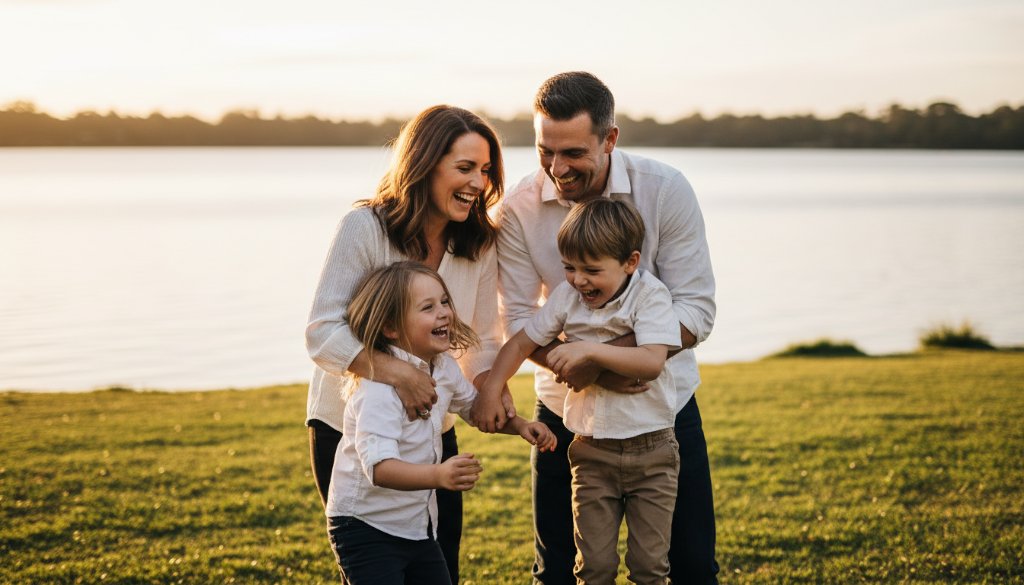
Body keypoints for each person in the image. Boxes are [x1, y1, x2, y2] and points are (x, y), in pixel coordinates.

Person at [493, 72, 719, 584]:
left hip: (664, 412)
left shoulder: (665, 191)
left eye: (572, 152)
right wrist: (587, 370)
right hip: (565, 413)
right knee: (561, 570)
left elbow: (697, 310)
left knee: (688, 567)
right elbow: (523, 321)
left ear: (610, 139)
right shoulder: (519, 209)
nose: (556, 167)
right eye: (544, 150)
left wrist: (607, 356)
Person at [305, 105, 516, 584]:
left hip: (433, 430)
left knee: (441, 564)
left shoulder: (480, 244)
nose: (479, 183)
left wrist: (487, 385)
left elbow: (481, 337)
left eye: (486, 171)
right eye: (465, 168)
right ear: (423, 164)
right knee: (370, 567)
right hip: (347, 428)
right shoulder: (365, 228)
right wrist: (399, 373)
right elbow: (322, 332)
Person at [482, 198, 682, 583]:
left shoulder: (650, 295)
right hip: (592, 451)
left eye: (592, 270)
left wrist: (588, 351)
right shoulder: (567, 297)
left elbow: (652, 362)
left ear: (630, 262)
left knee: (649, 567)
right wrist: (493, 385)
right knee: (594, 567)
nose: (579, 280)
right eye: (569, 267)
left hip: (652, 451)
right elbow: (522, 342)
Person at [326, 261, 556, 584]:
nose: (444, 313)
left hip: (417, 527)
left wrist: (519, 426)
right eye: (428, 307)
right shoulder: (379, 389)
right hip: (364, 527)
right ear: (391, 328)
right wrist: (439, 474)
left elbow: (476, 409)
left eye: (445, 302)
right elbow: (378, 468)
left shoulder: (444, 367)